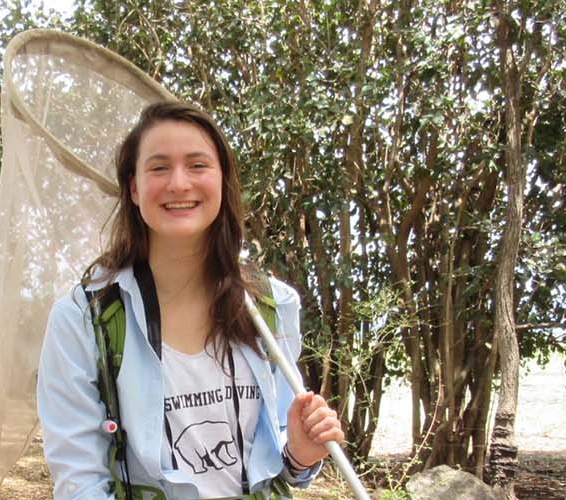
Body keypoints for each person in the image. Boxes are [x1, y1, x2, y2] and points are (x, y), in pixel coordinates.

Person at [38, 102, 345, 499]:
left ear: (222, 181)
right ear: (133, 188)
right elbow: (80, 481)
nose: (179, 184)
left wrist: (302, 455)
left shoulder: (272, 305)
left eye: (198, 165)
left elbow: (283, 469)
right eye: (159, 167)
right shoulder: (83, 320)